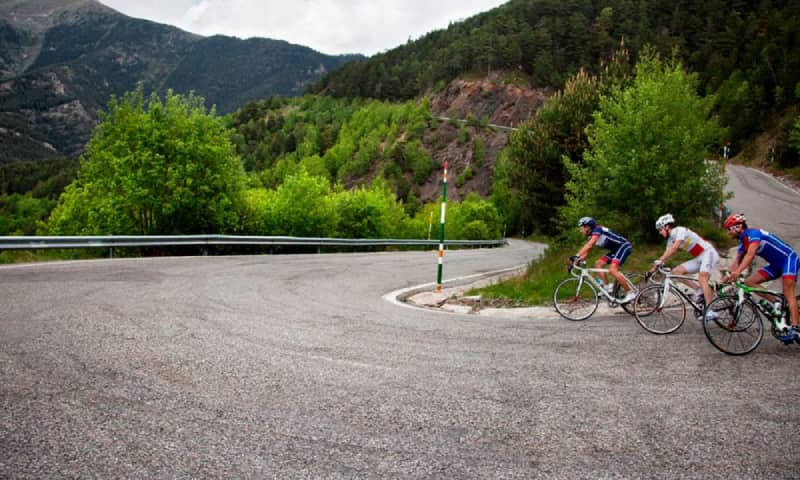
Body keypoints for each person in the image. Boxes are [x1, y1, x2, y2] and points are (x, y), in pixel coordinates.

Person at [722, 213, 800, 343]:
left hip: (789, 259)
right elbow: (736, 262)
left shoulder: (753, 233)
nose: (728, 232)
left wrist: (738, 272)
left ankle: (796, 329)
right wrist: (723, 281)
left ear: (737, 227)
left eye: (729, 229)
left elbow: (750, 255)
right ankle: (777, 302)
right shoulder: (743, 242)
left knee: (788, 292)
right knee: (749, 282)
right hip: (775, 265)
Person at [651, 214, 720, 319]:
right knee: (676, 272)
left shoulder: (680, 230)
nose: (660, 233)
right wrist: (651, 270)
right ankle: (699, 290)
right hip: (699, 257)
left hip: (708, 253)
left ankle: (710, 310)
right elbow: (665, 255)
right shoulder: (670, 240)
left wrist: (660, 261)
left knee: (702, 279)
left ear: (667, 226)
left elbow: (674, 248)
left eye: (660, 230)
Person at [574, 217, 635, 303]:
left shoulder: (597, 230)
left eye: (581, 228)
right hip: (616, 250)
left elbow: (589, 245)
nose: (580, 230)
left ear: (588, 227)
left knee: (613, 270)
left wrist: (576, 255)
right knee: (598, 264)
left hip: (623, 246)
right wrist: (577, 260)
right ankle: (607, 288)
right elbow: (587, 252)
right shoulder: (592, 235)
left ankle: (631, 293)